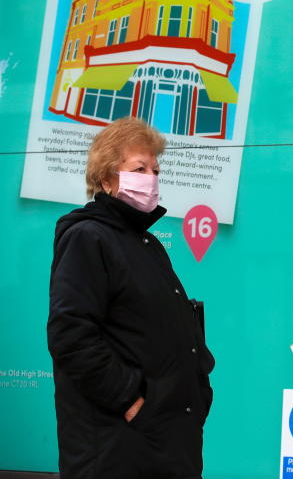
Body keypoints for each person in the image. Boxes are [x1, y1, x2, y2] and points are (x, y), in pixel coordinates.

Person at [47, 117, 214, 479]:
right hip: (120, 450)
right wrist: (132, 401)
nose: (151, 177)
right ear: (107, 179)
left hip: (163, 446)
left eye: (155, 169)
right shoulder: (88, 238)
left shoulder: (144, 243)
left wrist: (199, 387)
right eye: (139, 168)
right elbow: (71, 335)